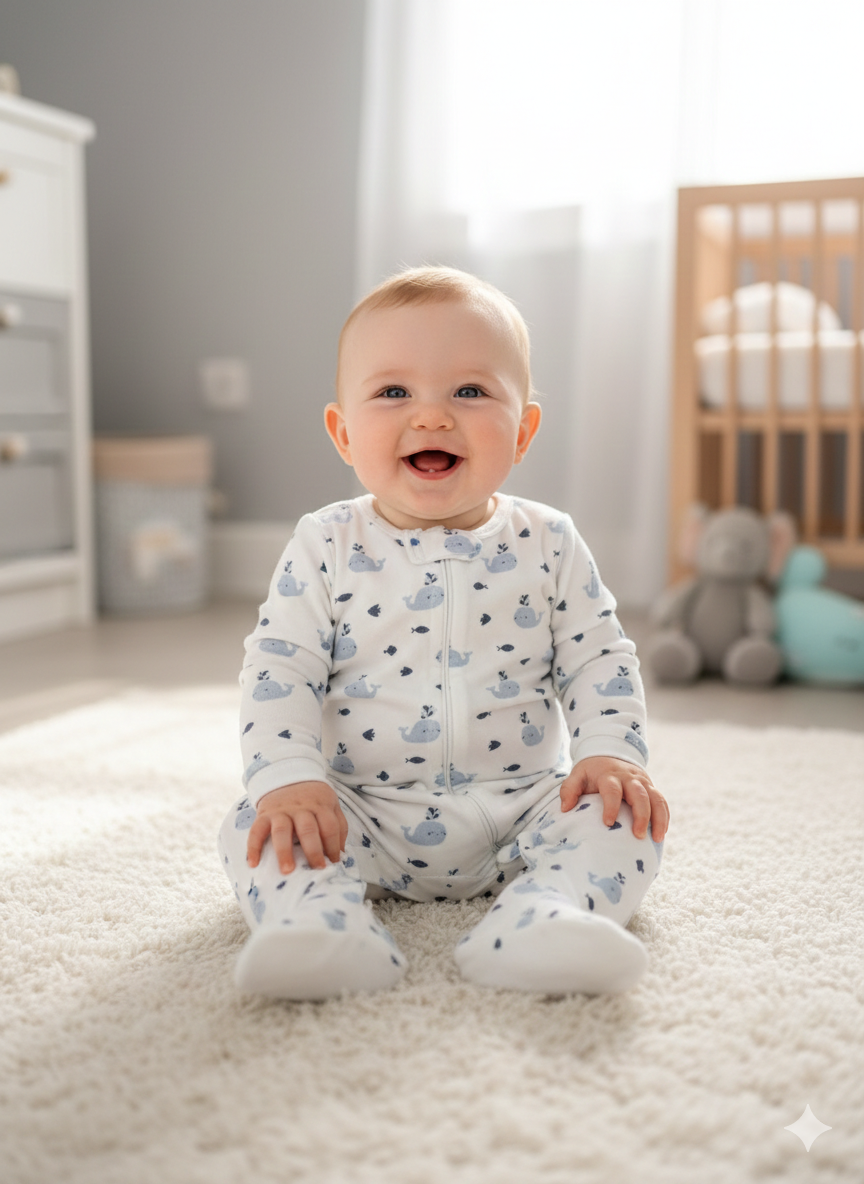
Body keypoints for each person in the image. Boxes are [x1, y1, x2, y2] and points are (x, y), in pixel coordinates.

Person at [218, 266, 669, 1001]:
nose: (431, 417)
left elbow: (598, 658)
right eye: (393, 392)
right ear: (343, 432)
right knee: (254, 823)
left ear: (522, 431)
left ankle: (540, 920)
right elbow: (280, 669)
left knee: (629, 818)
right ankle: (322, 928)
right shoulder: (326, 542)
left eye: (470, 391)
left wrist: (611, 753)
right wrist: (291, 782)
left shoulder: (549, 541)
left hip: (522, 807)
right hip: (358, 811)